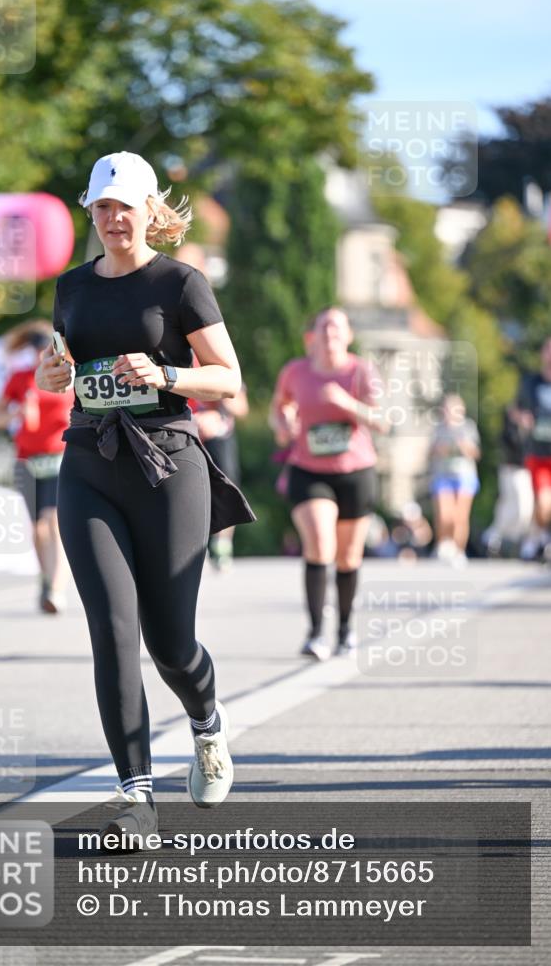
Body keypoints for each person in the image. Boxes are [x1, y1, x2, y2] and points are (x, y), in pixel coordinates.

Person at [35, 151, 254, 836]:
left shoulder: (180, 284)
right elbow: (59, 374)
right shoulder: (70, 288)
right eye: (100, 207)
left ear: (148, 211)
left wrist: (165, 375)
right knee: (112, 633)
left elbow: (228, 378)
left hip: (167, 466)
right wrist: (49, 373)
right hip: (89, 463)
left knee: (170, 645)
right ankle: (136, 798)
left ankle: (207, 724)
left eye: (123, 207)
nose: (111, 219)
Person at [270, 307, 386, 661]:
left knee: (348, 556)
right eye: (324, 327)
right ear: (313, 337)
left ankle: (346, 628)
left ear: (348, 336)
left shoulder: (361, 371)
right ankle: (316, 632)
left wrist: (348, 404)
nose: (330, 333)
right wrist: (283, 425)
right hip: (309, 469)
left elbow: (382, 421)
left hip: (355, 471)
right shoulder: (295, 371)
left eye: (337, 328)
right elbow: (279, 408)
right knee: (320, 542)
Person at [0, 321, 73, 612]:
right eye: (37, 349)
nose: (41, 354)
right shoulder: (20, 377)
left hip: (59, 456)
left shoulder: (69, 377)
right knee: (38, 527)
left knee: (55, 521)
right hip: (27, 458)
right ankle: (45, 577)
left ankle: (56, 589)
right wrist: (15, 411)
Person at [191, 385, 249, 571]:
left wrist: (224, 397)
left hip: (219, 438)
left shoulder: (220, 362)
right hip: (185, 434)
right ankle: (194, 545)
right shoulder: (173, 360)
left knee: (226, 488)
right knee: (192, 492)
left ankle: (221, 545)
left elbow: (241, 408)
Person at [428, 393, 481, 566]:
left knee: (460, 516)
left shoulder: (468, 427)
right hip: (442, 475)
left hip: (464, 475)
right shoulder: (439, 428)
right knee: (445, 515)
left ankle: (459, 550)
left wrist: (463, 445)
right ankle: (444, 543)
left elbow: (476, 453)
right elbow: (429, 452)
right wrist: (439, 450)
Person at [512, 337, 551, 561]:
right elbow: (515, 410)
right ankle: (540, 537)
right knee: (544, 503)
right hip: (538, 453)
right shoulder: (531, 382)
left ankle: (538, 538)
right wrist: (522, 419)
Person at [481, 406, 534, 557]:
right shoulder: (508, 431)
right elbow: (517, 449)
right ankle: (495, 536)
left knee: (524, 509)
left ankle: (502, 537)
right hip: (511, 472)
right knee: (512, 506)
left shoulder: (526, 429)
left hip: (524, 472)